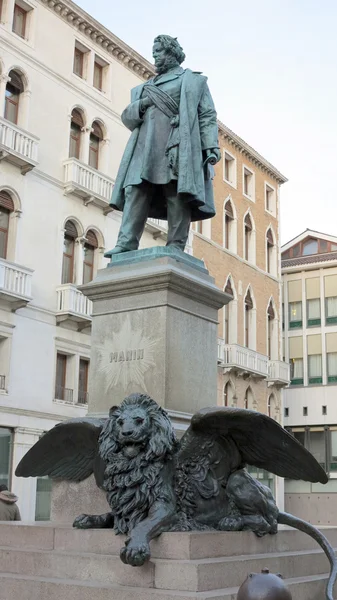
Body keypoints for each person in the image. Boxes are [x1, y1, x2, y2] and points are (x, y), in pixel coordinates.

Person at [108, 34, 220, 255]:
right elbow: (128, 118)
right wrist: (144, 103)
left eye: (158, 52)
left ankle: (176, 245)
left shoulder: (193, 81)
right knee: (135, 190)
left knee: (176, 192)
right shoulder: (144, 88)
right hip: (144, 147)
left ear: (171, 53)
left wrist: (210, 146)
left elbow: (207, 115)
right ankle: (126, 242)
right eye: (154, 53)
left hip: (177, 144)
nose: (155, 57)